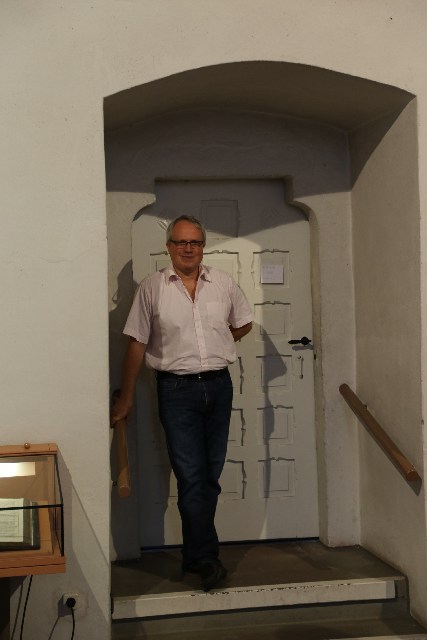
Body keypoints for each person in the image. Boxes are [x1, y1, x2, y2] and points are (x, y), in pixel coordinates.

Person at [111, 215, 253, 591]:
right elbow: (137, 343)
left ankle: (196, 556)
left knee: (209, 477)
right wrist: (126, 398)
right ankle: (205, 559)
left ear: (203, 247)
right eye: (181, 242)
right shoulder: (152, 288)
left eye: (195, 242)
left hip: (219, 387)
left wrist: (220, 342)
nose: (188, 248)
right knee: (192, 478)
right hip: (176, 392)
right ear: (169, 247)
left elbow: (243, 322)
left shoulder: (223, 283)